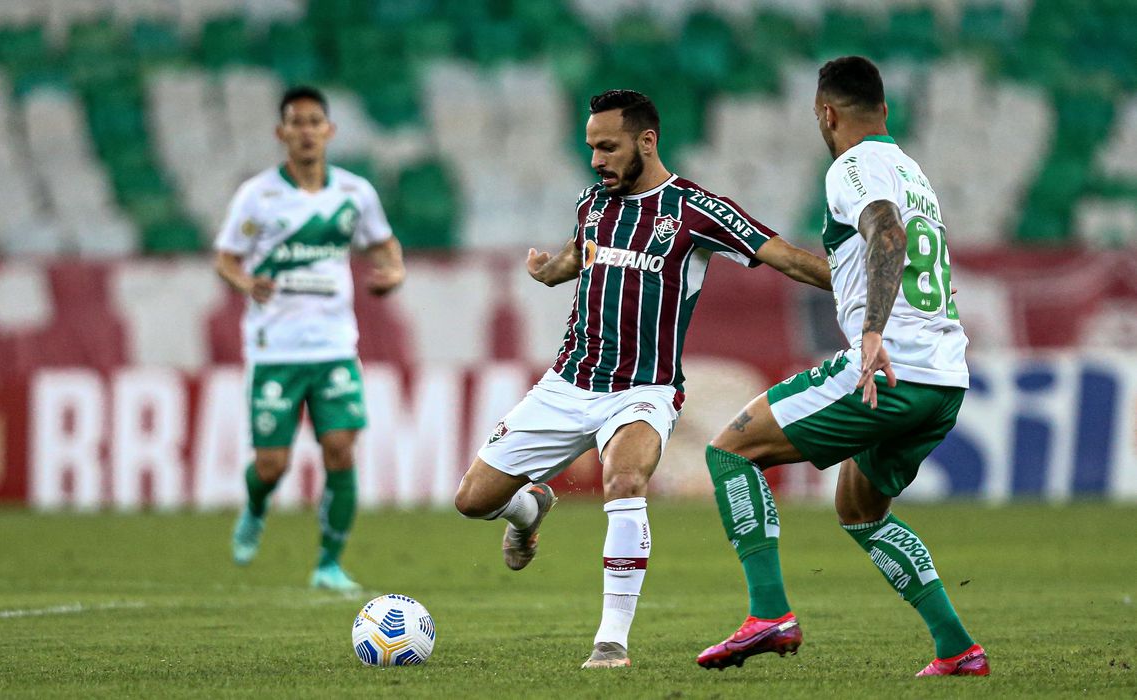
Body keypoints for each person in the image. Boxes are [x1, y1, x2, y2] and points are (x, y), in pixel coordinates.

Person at [453, 89, 832, 668]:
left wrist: (878, 289)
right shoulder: (593, 203)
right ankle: (529, 511)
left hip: (644, 389)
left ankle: (611, 642)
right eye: (590, 148)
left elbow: (786, 257)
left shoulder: (696, 210)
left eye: (607, 147)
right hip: (569, 381)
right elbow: (576, 257)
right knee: (472, 501)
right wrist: (549, 271)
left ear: (646, 141)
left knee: (624, 481)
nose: (596, 160)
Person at [695, 56, 988, 677]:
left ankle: (768, 613)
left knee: (730, 451)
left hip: (890, 368)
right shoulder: (914, 173)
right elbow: (893, 254)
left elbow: (886, 236)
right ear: (884, 110)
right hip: (944, 378)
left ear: (826, 114)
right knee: (861, 510)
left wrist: (875, 332)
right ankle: (957, 649)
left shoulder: (850, 167)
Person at [214, 85, 405, 592]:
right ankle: (255, 506)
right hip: (275, 349)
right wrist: (245, 283)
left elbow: (384, 244)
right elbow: (226, 257)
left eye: (314, 121)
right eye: (295, 123)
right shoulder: (258, 195)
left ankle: (328, 564)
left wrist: (393, 272)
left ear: (329, 131)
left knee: (340, 448)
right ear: (281, 133)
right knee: (272, 464)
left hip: (335, 347)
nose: (305, 131)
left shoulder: (355, 193)